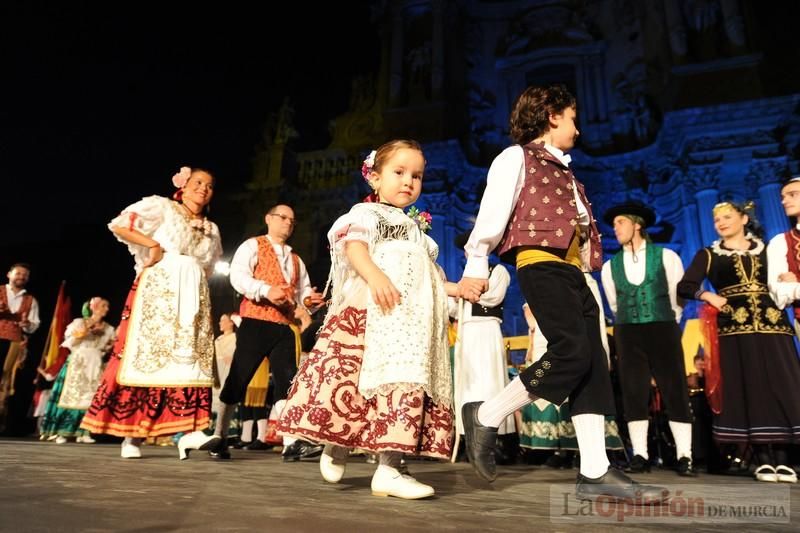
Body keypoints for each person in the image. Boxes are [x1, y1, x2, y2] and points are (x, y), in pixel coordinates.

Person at [457, 84, 664, 502]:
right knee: (570, 352)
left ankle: (595, 471)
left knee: (591, 365)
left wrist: (588, 265)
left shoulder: (565, 170)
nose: (578, 129)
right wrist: (476, 264)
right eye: (573, 118)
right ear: (552, 116)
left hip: (574, 273)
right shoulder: (516, 157)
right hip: (540, 264)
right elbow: (493, 213)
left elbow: (579, 225)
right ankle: (487, 413)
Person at [278, 140, 458, 500]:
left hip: (408, 324)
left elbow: (431, 277)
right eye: (399, 172)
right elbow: (354, 248)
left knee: (401, 385)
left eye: (417, 175)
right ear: (374, 178)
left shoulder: (418, 232)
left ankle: (390, 468)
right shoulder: (365, 214)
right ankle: (336, 443)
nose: (409, 181)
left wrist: (458, 288)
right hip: (372, 313)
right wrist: (376, 277)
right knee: (356, 385)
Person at [80, 166, 223, 460]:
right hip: (159, 290)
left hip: (193, 296)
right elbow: (120, 224)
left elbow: (208, 269)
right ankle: (132, 435)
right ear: (183, 186)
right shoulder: (163, 207)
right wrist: (152, 244)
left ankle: (192, 431)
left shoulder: (212, 229)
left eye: (209, 185)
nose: (203, 189)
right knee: (147, 356)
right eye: (197, 182)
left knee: (190, 360)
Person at [210, 204, 325, 460]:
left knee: (287, 381)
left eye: (292, 221)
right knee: (240, 377)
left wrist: (309, 301)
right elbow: (237, 276)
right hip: (256, 321)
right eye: (283, 218)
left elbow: (302, 291)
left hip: (284, 326)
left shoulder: (296, 259)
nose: (287, 223)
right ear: (268, 219)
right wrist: (264, 289)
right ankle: (219, 436)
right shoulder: (253, 245)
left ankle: (291, 443)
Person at [600, 201, 695, 476]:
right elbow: (615, 304)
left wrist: (666, 320)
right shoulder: (610, 266)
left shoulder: (666, 257)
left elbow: (678, 298)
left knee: (674, 387)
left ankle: (684, 455)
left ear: (636, 224)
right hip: (628, 330)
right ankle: (640, 454)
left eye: (620, 223)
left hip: (663, 326)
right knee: (633, 390)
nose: (615, 228)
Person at [449, 232, 515, 446]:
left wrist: (462, 292)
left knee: (488, 379)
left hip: (486, 330)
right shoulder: (463, 279)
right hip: (467, 333)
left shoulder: (498, 271)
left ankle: (494, 435)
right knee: (467, 381)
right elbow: (454, 309)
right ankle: (465, 433)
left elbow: (493, 296)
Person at [41, 297, 115, 443]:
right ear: (93, 307)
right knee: (71, 394)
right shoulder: (79, 322)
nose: (106, 309)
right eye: (103, 306)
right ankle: (61, 431)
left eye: (107, 306)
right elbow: (70, 342)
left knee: (90, 397)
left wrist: (110, 344)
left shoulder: (109, 328)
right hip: (78, 361)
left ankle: (84, 432)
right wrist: (86, 331)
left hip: (95, 362)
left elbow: (106, 348)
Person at [0, 263, 40, 387]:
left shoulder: (31, 300)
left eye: (25, 275)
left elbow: (33, 326)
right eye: (18, 273)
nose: (21, 277)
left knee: (4, 378)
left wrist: (27, 324)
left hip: (13, 342)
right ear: (9, 275)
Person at [211, 313, 240, 440]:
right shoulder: (217, 340)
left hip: (227, 372)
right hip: (217, 372)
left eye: (223, 321)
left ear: (231, 323)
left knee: (225, 397)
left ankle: (228, 431)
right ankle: (214, 429)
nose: (220, 323)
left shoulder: (235, 338)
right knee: (215, 398)